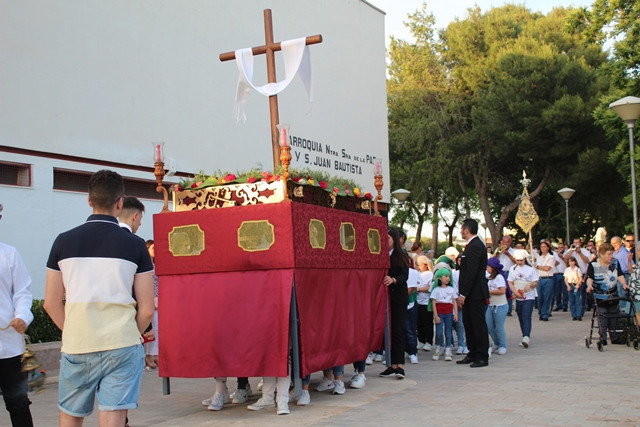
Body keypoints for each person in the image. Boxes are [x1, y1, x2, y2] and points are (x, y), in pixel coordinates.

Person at [44, 170, 155, 426]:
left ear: (89, 200)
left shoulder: (62, 242)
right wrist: (130, 332)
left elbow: (51, 302)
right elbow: (147, 308)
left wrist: (73, 329)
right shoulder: (136, 245)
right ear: (120, 203)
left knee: (71, 414)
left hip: (78, 342)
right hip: (121, 343)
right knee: (113, 415)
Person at [0, 206, 34, 427]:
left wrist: (22, 315)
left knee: (18, 402)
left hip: (8, 345)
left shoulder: (9, 254)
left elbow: (22, 291)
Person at [456, 219, 490, 368]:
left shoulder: (476, 246)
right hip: (470, 292)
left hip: (475, 293)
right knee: (468, 324)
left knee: (478, 325)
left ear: (467, 229)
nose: (461, 231)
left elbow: (472, 273)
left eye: (462, 228)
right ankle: (473, 352)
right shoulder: (471, 246)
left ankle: (482, 356)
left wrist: (463, 294)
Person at [379, 227, 410, 379]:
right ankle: (391, 364)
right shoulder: (381, 254)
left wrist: (393, 280)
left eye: (388, 238)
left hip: (398, 298)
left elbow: (405, 276)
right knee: (388, 331)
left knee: (398, 330)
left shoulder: (401, 255)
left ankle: (400, 365)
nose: (385, 241)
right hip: (385, 299)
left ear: (395, 240)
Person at [586, 243, 629, 346]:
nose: (611, 256)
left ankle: (615, 338)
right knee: (603, 317)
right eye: (609, 254)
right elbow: (590, 278)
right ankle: (603, 338)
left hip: (613, 294)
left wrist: (624, 284)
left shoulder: (615, 262)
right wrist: (589, 286)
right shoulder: (593, 264)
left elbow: (620, 275)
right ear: (601, 254)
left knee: (614, 317)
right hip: (600, 296)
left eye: (612, 254)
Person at [507, 249, 538, 348]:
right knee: (520, 316)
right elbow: (510, 282)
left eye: (521, 260)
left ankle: (526, 337)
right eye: (517, 260)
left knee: (526, 315)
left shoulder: (531, 269)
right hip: (518, 296)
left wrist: (530, 285)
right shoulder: (513, 269)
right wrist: (515, 292)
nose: (519, 262)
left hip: (528, 296)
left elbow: (535, 282)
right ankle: (524, 334)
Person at [430, 268, 457, 361]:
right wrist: (436, 315)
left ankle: (448, 349)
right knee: (438, 332)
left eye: (449, 276)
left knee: (448, 332)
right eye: (445, 276)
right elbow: (433, 303)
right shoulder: (436, 290)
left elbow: (454, 302)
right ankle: (438, 347)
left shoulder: (451, 289)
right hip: (440, 314)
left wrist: (456, 314)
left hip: (449, 313)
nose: (447, 278)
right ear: (440, 278)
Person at [485, 257, 508, 355]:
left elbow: (502, 290)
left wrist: (489, 292)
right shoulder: (489, 278)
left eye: (488, 266)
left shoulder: (499, 277)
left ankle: (503, 345)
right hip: (491, 305)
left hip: (500, 305)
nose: (487, 268)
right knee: (489, 325)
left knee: (499, 326)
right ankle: (496, 342)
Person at [415, 255, 434, 352]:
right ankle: (421, 340)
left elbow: (430, 288)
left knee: (427, 322)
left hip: (426, 302)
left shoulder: (430, 274)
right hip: (417, 301)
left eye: (420, 265)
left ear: (426, 265)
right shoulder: (417, 273)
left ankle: (429, 341)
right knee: (419, 323)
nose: (418, 267)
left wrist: (419, 289)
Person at [534, 241, 555, 321]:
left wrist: (537, 266)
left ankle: (545, 313)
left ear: (548, 248)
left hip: (548, 278)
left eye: (544, 247)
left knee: (547, 297)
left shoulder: (551, 257)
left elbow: (547, 268)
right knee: (539, 297)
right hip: (539, 278)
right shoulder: (539, 257)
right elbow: (530, 252)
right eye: (541, 247)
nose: (543, 248)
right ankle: (541, 312)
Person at [495, 235, 516, 316]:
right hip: (500, 272)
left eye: (507, 242)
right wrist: (498, 252)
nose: (505, 244)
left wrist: (508, 254)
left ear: (510, 243)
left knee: (509, 291)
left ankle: (509, 310)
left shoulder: (513, 251)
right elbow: (494, 259)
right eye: (504, 242)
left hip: (509, 272)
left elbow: (515, 261)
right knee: (500, 289)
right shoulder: (498, 250)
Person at [564, 256, 583, 320]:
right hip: (570, 284)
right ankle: (574, 315)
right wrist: (568, 286)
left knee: (577, 300)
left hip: (576, 284)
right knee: (571, 301)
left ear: (575, 262)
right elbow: (566, 278)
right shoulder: (567, 269)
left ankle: (578, 315)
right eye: (570, 261)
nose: (571, 263)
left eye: (572, 261)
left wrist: (578, 285)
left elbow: (580, 278)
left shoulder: (578, 269)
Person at [552, 242, 568, 312]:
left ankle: (565, 305)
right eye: (559, 248)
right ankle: (558, 305)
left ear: (564, 248)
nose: (560, 249)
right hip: (557, 273)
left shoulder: (566, 254)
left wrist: (562, 257)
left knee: (565, 291)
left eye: (562, 247)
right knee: (557, 291)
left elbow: (567, 264)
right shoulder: (554, 254)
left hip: (564, 274)